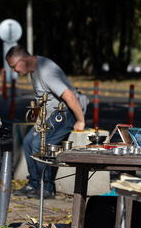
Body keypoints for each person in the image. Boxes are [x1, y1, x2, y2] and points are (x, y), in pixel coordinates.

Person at [6, 46, 88, 199]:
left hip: (65, 113)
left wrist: (80, 120)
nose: (13, 71)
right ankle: (34, 183)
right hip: (49, 115)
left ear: (22, 61)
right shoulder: (34, 69)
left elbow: (69, 96)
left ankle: (47, 188)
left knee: (39, 144)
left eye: (13, 67)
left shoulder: (46, 72)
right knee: (28, 142)